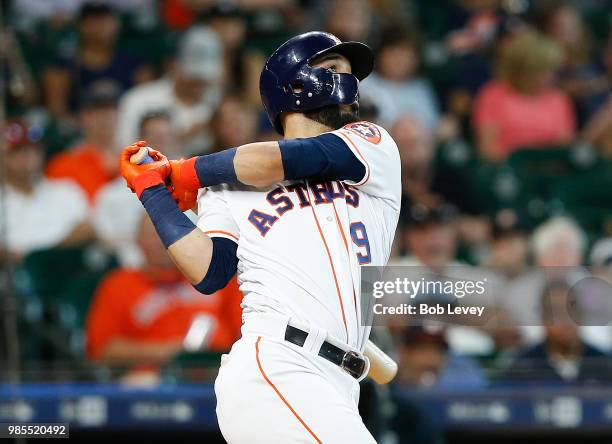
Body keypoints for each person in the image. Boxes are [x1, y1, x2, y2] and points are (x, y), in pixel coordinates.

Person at [119, 31, 401, 443]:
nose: (350, 82)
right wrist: (153, 191)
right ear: (294, 84)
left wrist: (183, 171)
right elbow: (209, 271)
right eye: (334, 69)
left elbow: (291, 157)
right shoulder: (227, 187)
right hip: (277, 365)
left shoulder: (372, 144)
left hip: (339, 381)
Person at [86, 214, 242, 365]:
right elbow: (103, 349)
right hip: (154, 380)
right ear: (138, 241)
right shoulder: (118, 285)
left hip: (218, 372)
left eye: (172, 233)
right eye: (154, 235)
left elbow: (249, 333)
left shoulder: (219, 276)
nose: (163, 241)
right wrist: (169, 353)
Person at [116, 26, 223, 153]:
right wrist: (178, 138)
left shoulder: (219, 101)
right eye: (193, 75)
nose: (200, 82)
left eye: (206, 76)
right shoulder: (139, 100)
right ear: (173, 64)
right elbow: (125, 151)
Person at [472, 30, 575, 162]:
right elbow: (486, 148)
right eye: (544, 71)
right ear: (525, 70)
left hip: (549, 171)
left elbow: (565, 146)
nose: (551, 77)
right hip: (507, 169)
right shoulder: (493, 94)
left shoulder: (559, 99)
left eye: (553, 71)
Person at [0, 119, 92, 263]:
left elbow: (88, 229)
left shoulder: (66, 189)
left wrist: (42, 256)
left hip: (68, 272)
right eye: (18, 151)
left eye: (33, 149)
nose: (28, 157)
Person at [42, 2, 153, 120]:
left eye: (106, 19)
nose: (102, 26)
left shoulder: (136, 65)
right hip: (80, 132)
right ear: (81, 25)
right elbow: (58, 114)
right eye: (94, 20)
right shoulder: (61, 67)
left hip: (125, 130)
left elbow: (145, 107)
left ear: (117, 23)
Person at [502, 282, 609, 384]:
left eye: (571, 311)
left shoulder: (605, 364)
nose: (566, 321)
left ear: (581, 314)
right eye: (556, 313)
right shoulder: (523, 367)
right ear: (543, 318)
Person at [45, 82, 120, 203]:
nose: (105, 117)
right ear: (84, 117)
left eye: (110, 110)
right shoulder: (63, 165)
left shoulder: (136, 160)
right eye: (97, 111)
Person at [360, 27, 440, 131]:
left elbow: (433, 125)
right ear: (380, 54)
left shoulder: (422, 87)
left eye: (406, 55)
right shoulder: (364, 83)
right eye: (394, 53)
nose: (399, 60)